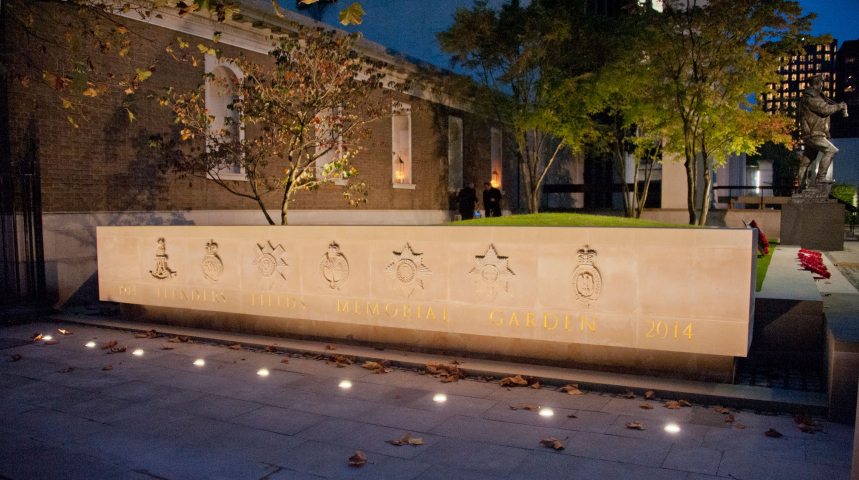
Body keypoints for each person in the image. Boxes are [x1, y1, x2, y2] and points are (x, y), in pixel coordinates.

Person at [797, 74, 848, 190]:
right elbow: (825, 110)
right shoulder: (811, 98)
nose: (822, 85)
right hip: (814, 133)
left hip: (813, 132)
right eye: (822, 83)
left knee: (807, 159)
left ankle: (802, 186)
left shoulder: (811, 97)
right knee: (831, 150)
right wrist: (839, 106)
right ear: (818, 83)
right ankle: (821, 178)